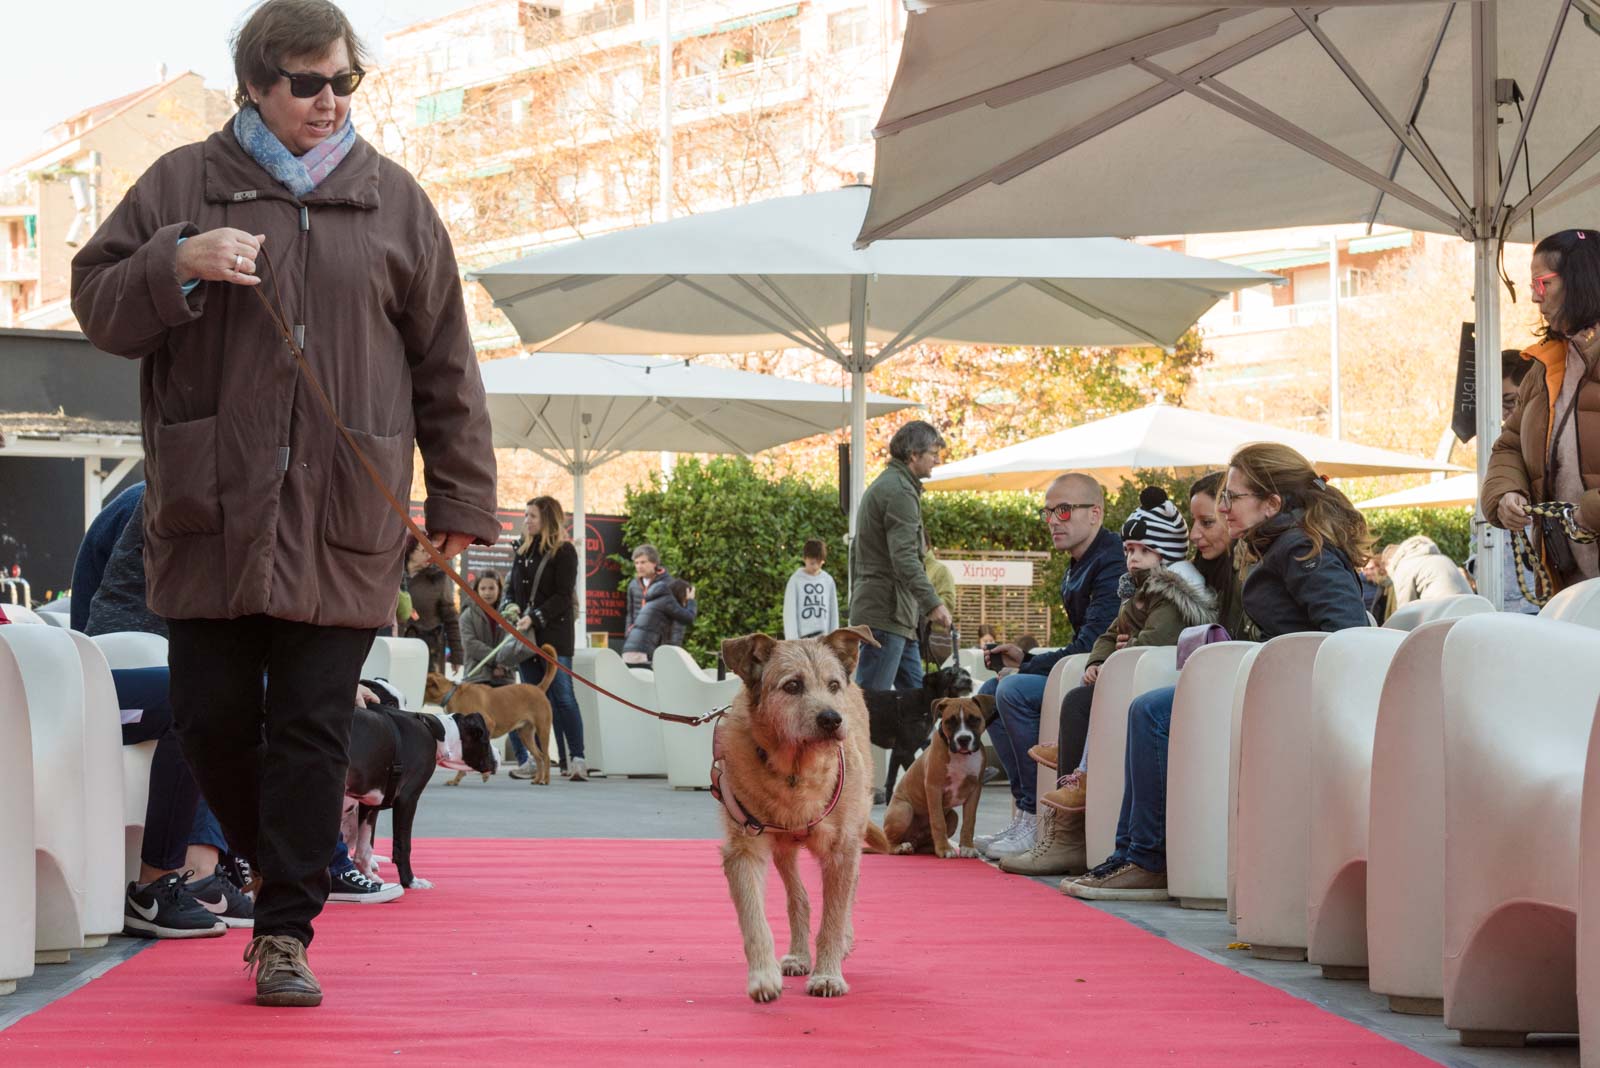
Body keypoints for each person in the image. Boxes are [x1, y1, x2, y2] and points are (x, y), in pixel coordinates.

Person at [70, 0, 500, 1007]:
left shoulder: (396, 202)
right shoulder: (182, 181)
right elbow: (96, 303)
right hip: (211, 511)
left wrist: (462, 495)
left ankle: (283, 933)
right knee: (210, 720)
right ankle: (280, 865)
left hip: (345, 513)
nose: (329, 101)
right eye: (307, 83)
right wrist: (176, 260)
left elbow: (447, 361)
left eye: (345, 80)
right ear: (257, 85)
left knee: (313, 728)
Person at [1065, 448, 1370, 901]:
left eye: (1232, 497)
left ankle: (1147, 860)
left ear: (1271, 504)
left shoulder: (1302, 550)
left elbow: (1348, 633)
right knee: (1151, 708)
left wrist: (1273, 669)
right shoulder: (1277, 546)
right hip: (1270, 686)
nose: (1224, 508)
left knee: (1153, 713)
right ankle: (1131, 854)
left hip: (1290, 698)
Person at [1000, 486, 1214, 876]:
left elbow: (1156, 640)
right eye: (1129, 550)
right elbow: (1107, 635)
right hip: (1127, 676)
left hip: (1151, 679)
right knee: (1072, 697)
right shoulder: (1136, 594)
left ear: (1165, 553)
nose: (1133, 558)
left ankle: (1076, 789)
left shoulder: (1171, 595)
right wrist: (1100, 659)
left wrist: (1120, 652)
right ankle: (1066, 807)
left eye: (1144, 551)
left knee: (1078, 703)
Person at [77, 488, 254, 938]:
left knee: (221, 696)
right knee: (200, 699)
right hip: (98, 667)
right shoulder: (177, 493)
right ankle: (163, 882)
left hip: (113, 661)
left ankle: (203, 870)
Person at [972, 473, 1125, 860]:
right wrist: (1025, 660)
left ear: (1095, 513)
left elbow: (1092, 644)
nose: (1053, 520)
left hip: (1103, 677)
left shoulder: (1112, 561)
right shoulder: (1080, 562)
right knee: (989, 695)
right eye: (1048, 512)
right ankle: (1026, 813)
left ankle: (1040, 816)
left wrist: (1027, 668)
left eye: (1064, 510)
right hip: (1081, 669)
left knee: (1011, 690)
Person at [1483, 230, 1600, 598]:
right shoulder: (1543, 366)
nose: (1534, 296)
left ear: (1581, 280)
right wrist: (1506, 493)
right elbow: (1510, 445)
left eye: (1542, 282)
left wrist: (1591, 511)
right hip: (1568, 589)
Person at [848, 420, 953, 689]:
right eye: (933, 453)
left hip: (893, 615)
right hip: (887, 614)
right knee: (873, 703)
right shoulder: (900, 492)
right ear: (913, 455)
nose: (937, 460)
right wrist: (933, 603)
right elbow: (904, 557)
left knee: (916, 702)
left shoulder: (891, 484)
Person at [504, 496, 587, 781]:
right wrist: (511, 608)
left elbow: (563, 596)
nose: (526, 520)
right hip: (526, 637)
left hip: (555, 636)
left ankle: (577, 758)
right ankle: (536, 759)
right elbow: (512, 590)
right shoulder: (522, 550)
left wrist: (535, 617)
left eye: (532, 516)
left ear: (548, 519)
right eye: (525, 515)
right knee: (529, 698)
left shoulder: (564, 551)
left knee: (563, 697)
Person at [459, 569, 534, 685]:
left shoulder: (509, 614)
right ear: (476, 590)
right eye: (483, 588)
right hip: (477, 678)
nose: (487, 593)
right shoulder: (467, 615)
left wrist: (504, 666)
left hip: (504, 677)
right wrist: (497, 661)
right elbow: (470, 644)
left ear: (499, 589)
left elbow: (514, 644)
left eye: (491, 588)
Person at [402, 536, 463, 676]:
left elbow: (451, 619)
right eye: (424, 551)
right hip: (396, 645)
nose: (428, 555)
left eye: (431, 551)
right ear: (410, 551)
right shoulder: (395, 575)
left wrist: (456, 654)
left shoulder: (437, 578)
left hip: (429, 649)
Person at [1384, 535, 1473, 609]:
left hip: (1443, 611)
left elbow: (1405, 609)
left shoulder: (1403, 566)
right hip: (1471, 607)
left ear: (1389, 562)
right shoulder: (1440, 558)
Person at [622, 578, 697, 665]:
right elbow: (689, 618)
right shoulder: (667, 601)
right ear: (682, 594)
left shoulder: (657, 601)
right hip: (640, 653)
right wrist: (691, 601)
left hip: (632, 651)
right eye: (685, 599)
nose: (685, 603)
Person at [782, 539, 838, 640]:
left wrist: (834, 639)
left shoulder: (828, 580)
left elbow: (833, 613)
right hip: (802, 640)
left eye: (819, 563)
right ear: (804, 559)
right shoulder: (795, 581)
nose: (815, 567)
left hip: (824, 639)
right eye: (812, 563)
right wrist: (792, 641)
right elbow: (789, 614)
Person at [624, 544, 670, 638]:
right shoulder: (633, 585)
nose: (639, 566)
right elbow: (630, 613)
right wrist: (628, 633)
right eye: (636, 563)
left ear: (654, 563)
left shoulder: (668, 584)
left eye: (643, 562)